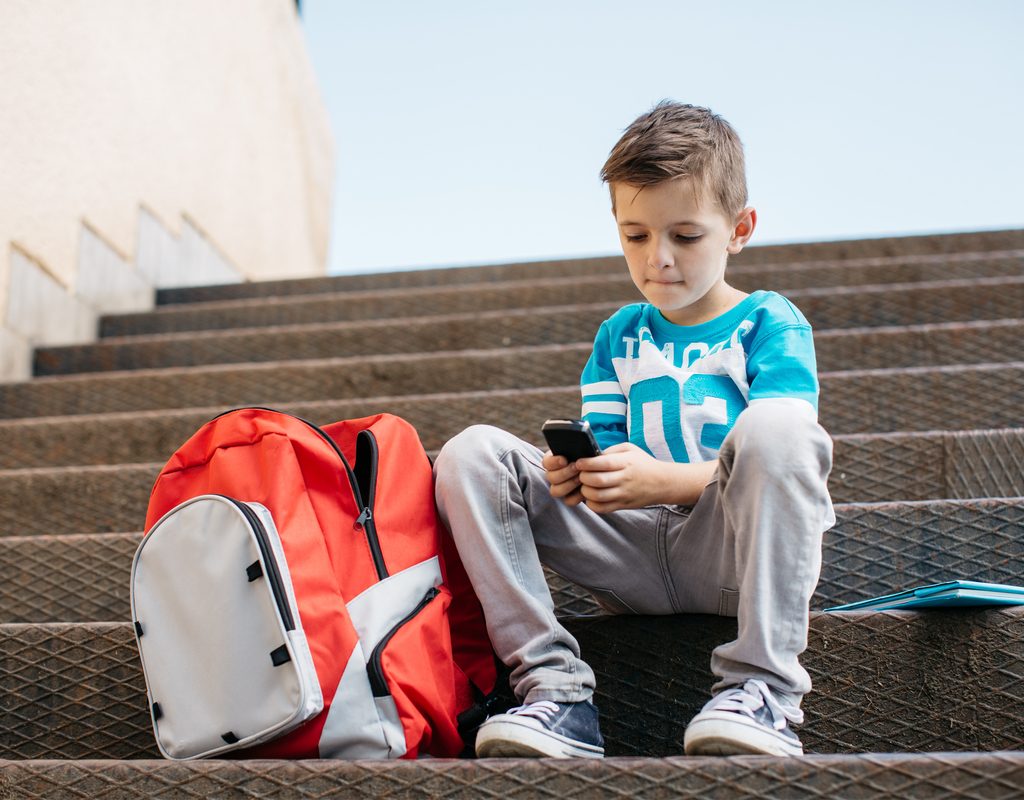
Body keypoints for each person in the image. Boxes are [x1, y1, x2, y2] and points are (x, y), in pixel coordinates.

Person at [433, 101, 835, 759]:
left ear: (739, 230)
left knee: (777, 432)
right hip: (630, 558)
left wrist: (666, 480)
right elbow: (610, 445)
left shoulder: (770, 322)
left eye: (685, 235)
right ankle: (554, 692)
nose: (659, 260)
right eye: (636, 236)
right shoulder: (619, 334)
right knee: (471, 452)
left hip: (726, 550)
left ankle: (765, 692)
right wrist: (580, 476)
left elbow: (789, 458)